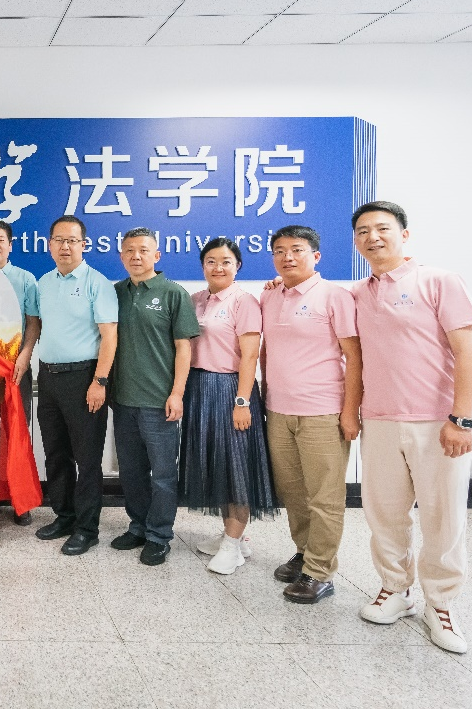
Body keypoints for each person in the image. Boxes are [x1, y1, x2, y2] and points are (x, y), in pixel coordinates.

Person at [350, 201, 472, 653]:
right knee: (384, 513)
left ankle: (441, 603)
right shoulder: (358, 293)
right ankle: (395, 589)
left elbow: (468, 353)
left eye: (382, 228)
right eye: (363, 231)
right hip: (379, 420)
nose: (373, 237)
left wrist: (461, 419)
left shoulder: (439, 281)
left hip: (437, 422)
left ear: (404, 234)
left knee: (443, 515)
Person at [259, 225, 362, 604]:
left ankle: (320, 571)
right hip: (278, 411)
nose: (287, 257)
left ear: (315, 256)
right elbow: (266, 351)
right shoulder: (270, 296)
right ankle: (304, 552)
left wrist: (350, 412)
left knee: (325, 495)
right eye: (279, 250)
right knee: (293, 491)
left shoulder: (335, 296)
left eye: (297, 249)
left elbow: (355, 358)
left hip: (323, 412)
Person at [180, 237, 276, 575]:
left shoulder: (243, 301)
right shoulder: (195, 300)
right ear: (202, 265)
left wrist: (242, 401)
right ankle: (232, 535)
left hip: (230, 389)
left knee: (237, 466)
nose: (218, 267)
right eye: (211, 261)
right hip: (199, 388)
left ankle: (233, 545)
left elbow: (250, 356)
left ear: (238, 266)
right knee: (216, 464)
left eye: (226, 261)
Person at [108, 227, 201, 566]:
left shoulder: (173, 293)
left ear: (156, 255)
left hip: (160, 402)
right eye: (129, 250)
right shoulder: (115, 292)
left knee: (162, 475)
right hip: (123, 400)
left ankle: (159, 535)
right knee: (131, 472)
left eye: (143, 250)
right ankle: (138, 526)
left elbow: (184, 348)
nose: (136, 256)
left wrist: (177, 393)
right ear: (121, 256)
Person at [33, 215, 118, 556]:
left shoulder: (98, 283)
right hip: (48, 378)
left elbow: (110, 337)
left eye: (72, 240)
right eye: (59, 240)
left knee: (87, 458)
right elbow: (39, 327)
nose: (65, 247)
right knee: (56, 453)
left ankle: (87, 528)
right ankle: (64, 516)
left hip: (84, 378)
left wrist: (100, 381)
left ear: (84, 244)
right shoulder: (44, 282)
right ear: (49, 245)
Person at [0, 218, 41, 526]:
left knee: (16, 431)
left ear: (11, 245)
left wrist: (25, 356)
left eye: (1, 240)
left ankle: (19, 499)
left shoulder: (25, 279)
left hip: (15, 368)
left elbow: (33, 323)